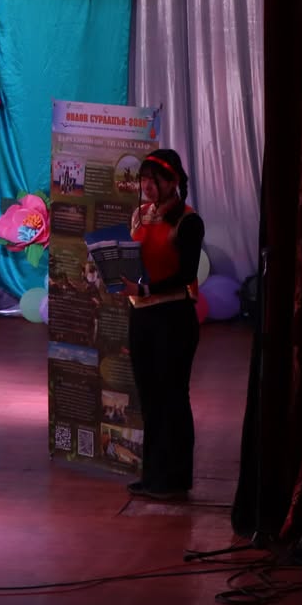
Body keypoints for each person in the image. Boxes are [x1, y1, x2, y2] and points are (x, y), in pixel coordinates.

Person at [126, 147, 203, 498]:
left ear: (172, 182)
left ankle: (175, 479)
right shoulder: (140, 215)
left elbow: (186, 274)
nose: (147, 186)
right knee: (149, 397)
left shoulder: (188, 220)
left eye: (154, 180)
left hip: (173, 318)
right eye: (143, 179)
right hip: (142, 315)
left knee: (172, 396)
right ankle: (153, 475)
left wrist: (145, 288)